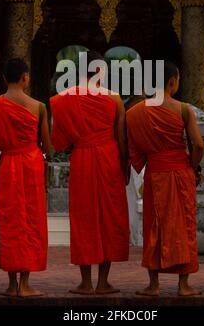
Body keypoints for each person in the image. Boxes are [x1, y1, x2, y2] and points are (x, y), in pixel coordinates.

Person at [50, 50, 129, 295]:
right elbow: (122, 137)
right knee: (109, 216)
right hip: (109, 159)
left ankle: (85, 282)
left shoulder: (64, 98)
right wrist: (125, 166)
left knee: (83, 217)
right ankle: (103, 281)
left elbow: (59, 142)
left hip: (82, 159)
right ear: (100, 71)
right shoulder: (114, 99)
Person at [126, 61, 204, 297]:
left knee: (154, 224)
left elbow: (133, 146)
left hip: (155, 173)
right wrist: (192, 164)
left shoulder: (135, 112)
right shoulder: (182, 109)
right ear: (172, 81)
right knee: (184, 224)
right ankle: (183, 284)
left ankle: (153, 284)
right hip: (180, 171)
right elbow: (199, 144)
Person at [0, 58, 52, 297]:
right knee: (31, 219)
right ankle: (26, 283)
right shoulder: (38, 107)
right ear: (25, 77)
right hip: (31, 162)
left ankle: (12, 284)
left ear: (4, 78)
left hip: (8, 163)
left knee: (11, 220)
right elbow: (48, 145)